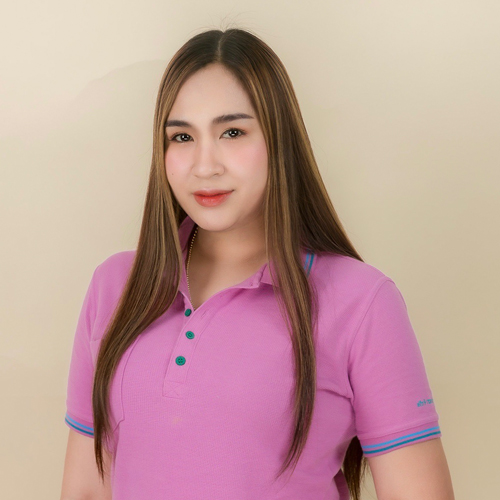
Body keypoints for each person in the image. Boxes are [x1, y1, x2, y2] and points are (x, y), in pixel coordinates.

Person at [60, 27, 455, 500]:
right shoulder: (115, 287)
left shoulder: (362, 302)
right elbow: (86, 489)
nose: (205, 165)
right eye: (182, 136)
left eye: (232, 132)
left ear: (279, 140)